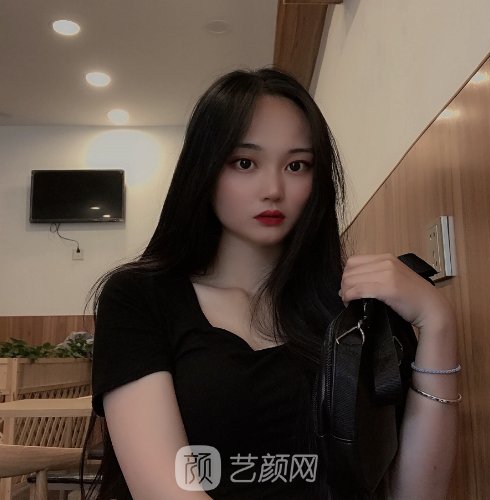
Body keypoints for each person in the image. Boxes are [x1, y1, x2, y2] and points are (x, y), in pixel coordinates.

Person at [84, 68, 459, 500]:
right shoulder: (139, 297)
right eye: (245, 163)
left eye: (296, 165)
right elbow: (166, 491)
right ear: (204, 170)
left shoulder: (351, 312)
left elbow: (414, 492)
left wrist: (437, 321)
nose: (273, 189)